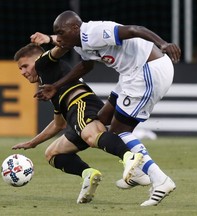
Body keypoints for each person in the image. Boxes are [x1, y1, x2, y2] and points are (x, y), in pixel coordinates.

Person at [33, 10, 181, 206]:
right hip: (130, 75)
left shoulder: (95, 31)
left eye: (61, 32)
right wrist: (56, 86)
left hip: (148, 69)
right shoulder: (80, 44)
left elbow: (135, 29)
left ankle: (160, 179)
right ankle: (137, 172)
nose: (59, 38)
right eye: (56, 34)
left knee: (120, 132)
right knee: (101, 121)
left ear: (75, 28)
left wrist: (163, 44)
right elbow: (86, 67)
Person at [11, 39, 143, 204]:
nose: (22, 72)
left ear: (38, 58)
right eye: (20, 69)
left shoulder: (43, 63)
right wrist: (33, 143)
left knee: (91, 136)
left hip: (81, 104)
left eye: (24, 66)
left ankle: (130, 157)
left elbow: (61, 48)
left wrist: (50, 39)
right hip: (74, 114)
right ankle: (88, 174)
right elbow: (59, 124)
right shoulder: (49, 82)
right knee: (52, 153)